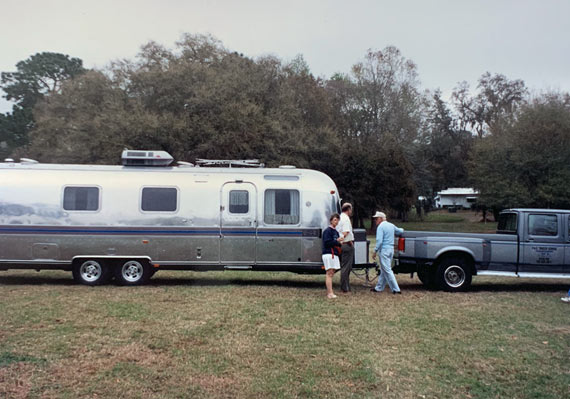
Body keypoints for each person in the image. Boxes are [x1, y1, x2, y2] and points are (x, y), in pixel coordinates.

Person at [370, 211, 404, 294]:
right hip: (391, 250)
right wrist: (402, 229)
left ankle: (396, 289)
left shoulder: (380, 227)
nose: (375, 220)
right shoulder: (391, 225)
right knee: (384, 269)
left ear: (381, 219)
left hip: (384, 250)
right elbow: (400, 231)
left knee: (387, 270)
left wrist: (375, 251)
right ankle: (379, 288)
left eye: (376, 219)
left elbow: (379, 241)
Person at [322, 213, 343, 299]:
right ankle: (330, 293)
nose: (336, 221)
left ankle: (330, 292)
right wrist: (337, 241)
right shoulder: (327, 231)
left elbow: (337, 244)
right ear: (331, 220)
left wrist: (340, 243)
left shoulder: (336, 232)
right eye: (335, 220)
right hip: (329, 253)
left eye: (338, 220)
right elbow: (327, 243)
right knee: (329, 273)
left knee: (332, 272)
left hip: (335, 254)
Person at [336, 203, 354, 293]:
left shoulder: (340, 217)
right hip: (346, 245)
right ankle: (344, 287)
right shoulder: (346, 219)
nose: (351, 211)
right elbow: (346, 232)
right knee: (346, 267)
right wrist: (347, 241)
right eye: (351, 210)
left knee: (344, 266)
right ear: (348, 209)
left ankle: (346, 286)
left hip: (342, 245)